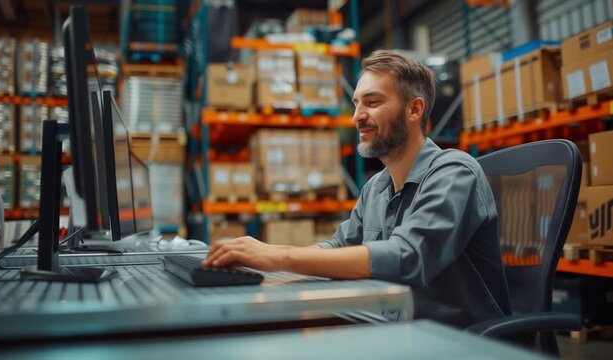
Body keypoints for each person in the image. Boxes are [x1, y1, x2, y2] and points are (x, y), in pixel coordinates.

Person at [204, 49, 511, 328]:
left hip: (462, 343)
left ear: (414, 110)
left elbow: (408, 257)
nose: (357, 117)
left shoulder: (454, 172)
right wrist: (269, 257)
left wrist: (279, 258)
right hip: (399, 333)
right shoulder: (376, 188)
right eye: (357, 103)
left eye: (373, 102)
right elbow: (339, 248)